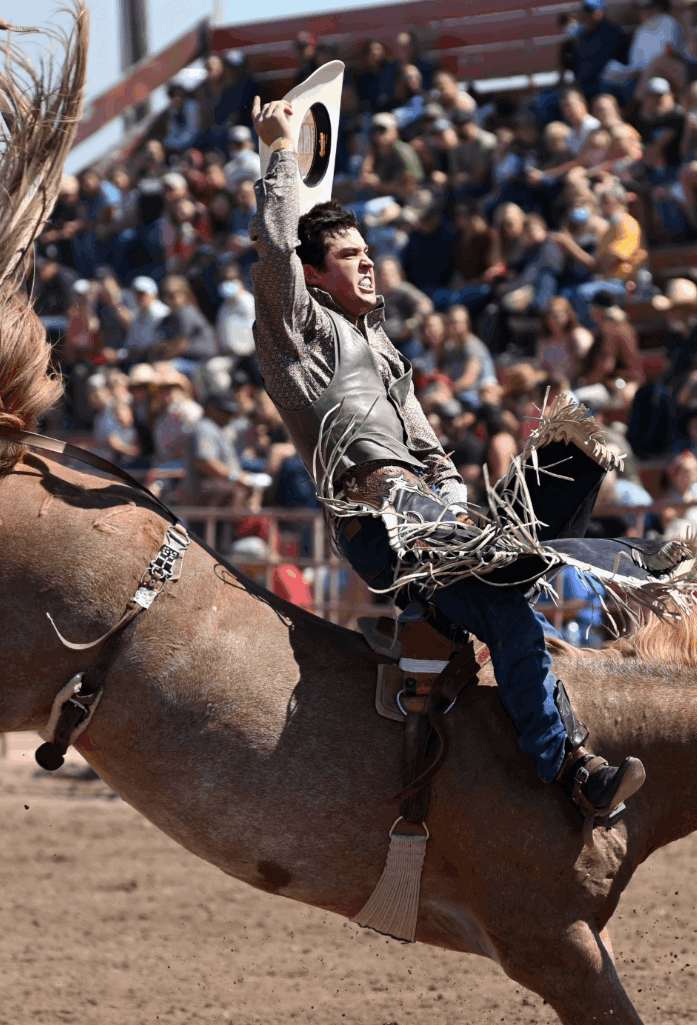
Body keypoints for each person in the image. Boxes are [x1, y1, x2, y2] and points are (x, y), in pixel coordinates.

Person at [249, 94, 648, 818]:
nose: (368, 264)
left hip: (437, 521)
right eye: (348, 257)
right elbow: (275, 252)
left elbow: (432, 449)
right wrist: (280, 153)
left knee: (575, 453)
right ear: (314, 277)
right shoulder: (298, 338)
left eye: (369, 253)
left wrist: (453, 506)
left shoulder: (383, 346)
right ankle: (569, 768)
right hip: (380, 528)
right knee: (511, 611)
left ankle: (498, 577)